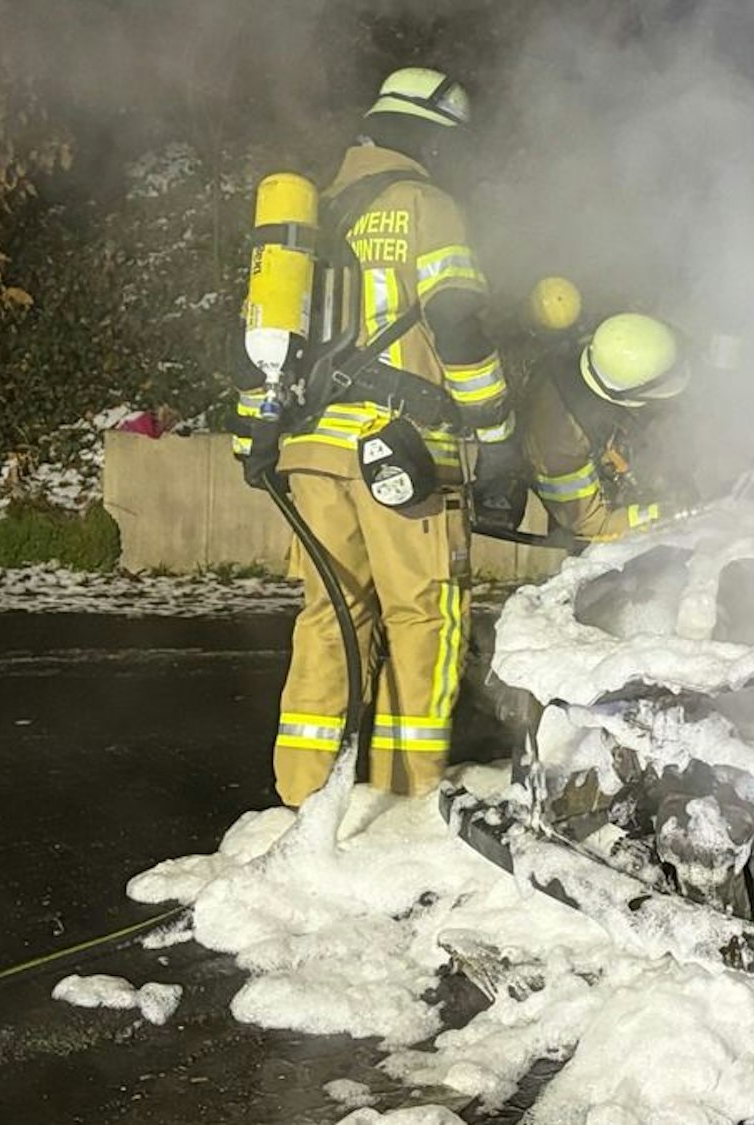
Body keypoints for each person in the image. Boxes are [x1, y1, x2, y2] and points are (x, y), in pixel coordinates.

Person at [232, 66, 521, 806]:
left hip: (308, 450)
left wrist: (252, 439)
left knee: (331, 615)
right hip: (403, 453)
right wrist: (497, 432)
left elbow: (258, 337)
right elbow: (457, 321)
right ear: (435, 140)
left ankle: (301, 798)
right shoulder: (429, 206)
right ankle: (404, 802)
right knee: (423, 617)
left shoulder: (313, 213)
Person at [520, 295, 690, 541]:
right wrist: (663, 513)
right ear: (624, 397)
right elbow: (593, 524)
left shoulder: (613, 347)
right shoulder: (561, 439)